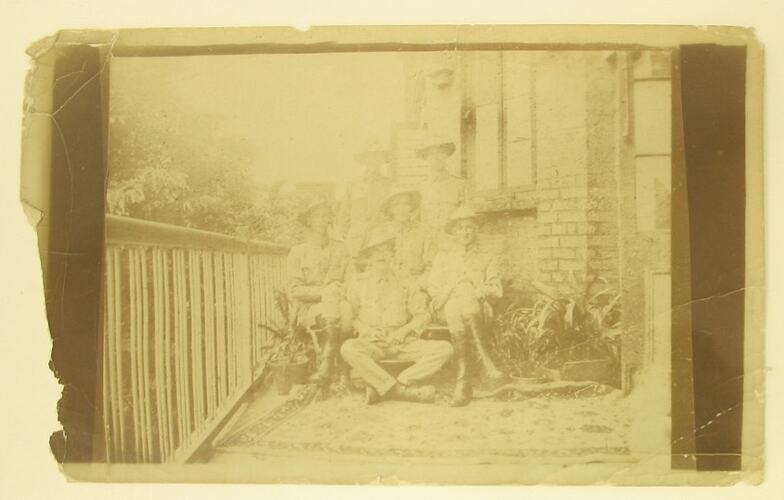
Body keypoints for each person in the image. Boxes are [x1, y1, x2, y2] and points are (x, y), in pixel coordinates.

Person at [340, 229, 454, 405]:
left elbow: (423, 315)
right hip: (373, 342)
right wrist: (366, 330)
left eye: (387, 251)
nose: (382, 256)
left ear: (393, 255)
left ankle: (397, 384)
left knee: (444, 349)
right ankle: (398, 391)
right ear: (368, 258)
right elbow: (352, 316)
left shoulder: (406, 281)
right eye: (377, 252)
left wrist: (404, 331)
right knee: (348, 348)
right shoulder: (358, 283)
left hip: (404, 342)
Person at [427, 206, 507, 407]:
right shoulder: (443, 257)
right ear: (454, 232)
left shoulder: (487, 257)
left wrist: (480, 290)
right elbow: (434, 289)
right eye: (460, 228)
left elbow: (496, 289)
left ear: (476, 230)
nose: (465, 232)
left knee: (465, 298)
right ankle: (485, 359)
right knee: (460, 294)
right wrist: (456, 288)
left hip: (476, 310)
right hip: (445, 310)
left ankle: (462, 381)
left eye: (470, 227)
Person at [286, 199, 353, 387]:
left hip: (339, 302)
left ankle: (328, 365)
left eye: (325, 216)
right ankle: (339, 369)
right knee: (337, 311)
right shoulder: (298, 252)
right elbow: (294, 289)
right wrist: (323, 293)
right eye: (317, 216)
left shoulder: (341, 249)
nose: (322, 220)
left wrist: (339, 291)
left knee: (346, 312)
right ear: (308, 221)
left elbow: (352, 280)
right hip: (311, 307)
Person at [336, 138, 394, 259]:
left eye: (378, 157)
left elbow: (393, 215)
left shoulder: (389, 185)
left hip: (381, 239)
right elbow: (343, 217)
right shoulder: (353, 185)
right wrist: (349, 237)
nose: (374, 161)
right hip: (356, 241)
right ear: (364, 160)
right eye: (370, 157)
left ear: (383, 160)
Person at [416, 137, 467, 252]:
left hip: (453, 240)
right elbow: (416, 219)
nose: (437, 157)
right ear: (426, 157)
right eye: (432, 154)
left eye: (441, 153)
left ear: (446, 156)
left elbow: (466, 216)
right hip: (429, 242)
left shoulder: (459, 184)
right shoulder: (420, 187)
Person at [377, 186, 431, 280]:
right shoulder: (381, 232)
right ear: (390, 209)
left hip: (417, 282)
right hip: (389, 283)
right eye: (396, 205)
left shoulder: (423, 231)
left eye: (406, 204)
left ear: (411, 207)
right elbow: (377, 264)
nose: (401, 209)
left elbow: (429, 265)